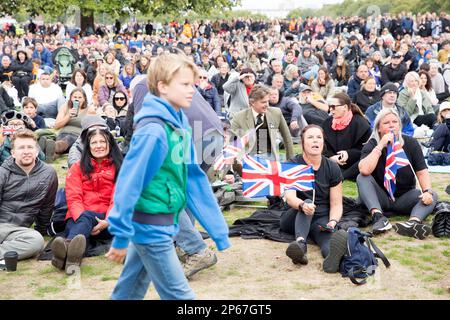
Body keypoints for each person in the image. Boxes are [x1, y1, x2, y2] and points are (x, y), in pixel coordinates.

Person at [106, 53, 230, 300]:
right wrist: (120, 235)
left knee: (129, 290)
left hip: (162, 222)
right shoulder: (153, 131)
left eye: (192, 84)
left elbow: (193, 178)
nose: (192, 90)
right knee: (181, 297)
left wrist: (217, 230)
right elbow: (130, 183)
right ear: (162, 87)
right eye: (184, 84)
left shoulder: (179, 126)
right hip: (151, 227)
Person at [51, 126, 123, 275]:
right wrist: (82, 218)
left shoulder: (120, 167)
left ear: (110, 143)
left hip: (108, 220)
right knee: (83, 221)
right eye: (94, 142)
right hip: (80, 217)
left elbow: (119, 199)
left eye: (102, 141)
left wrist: (108, 221)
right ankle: (72, 258)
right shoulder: (77, 167)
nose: (98, 146)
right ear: (88, 147)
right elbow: (73, 197)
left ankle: (65, 252)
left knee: (83, 226)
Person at [357, 108, 437, 238]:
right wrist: (381, 145)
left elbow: (422, 171)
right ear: (378, 128)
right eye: (386, 122)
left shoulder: (410, 143)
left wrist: (427, 191)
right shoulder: (372, 144)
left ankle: (413, 223)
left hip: (404, 197)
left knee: (432, 194)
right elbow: (364, 170)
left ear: (399, 125)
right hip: (380, 197)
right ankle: (378, 217)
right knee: (362, 178)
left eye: (395, 122)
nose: (391, 125)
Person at [281, 125, 347, 273]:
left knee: (328, 240)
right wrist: (303, 204)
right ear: (303, 142)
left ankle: (334, 260)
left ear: (323, 142)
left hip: (320, 217)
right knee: (308, 205)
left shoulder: (332, 167)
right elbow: (290, 198)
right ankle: (300, 245)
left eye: (319, 137)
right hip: (294, 214)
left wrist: (333, 221)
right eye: (310, 137)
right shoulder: (293, 164)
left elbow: (336, 204)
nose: (315, 140)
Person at [0, 129, 58, 261]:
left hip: (19, 231)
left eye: (30, 147)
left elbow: (47, 206)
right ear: (13, 153)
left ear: (37, 151)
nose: (26, 151)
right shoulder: (2, 173)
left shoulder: (48, 173)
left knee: (36, 241)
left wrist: (42, 230)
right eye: (21, 148)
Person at [231, 84, 294, 161]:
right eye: (263, 102)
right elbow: (232, 143)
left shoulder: (276, 113)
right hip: (248, 159)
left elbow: (287, 138)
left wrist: (290, 161)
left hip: (270, 159)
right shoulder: (239, 117)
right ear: (252, 102)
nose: (267, 105)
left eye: (268, 101)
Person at [323, 92, 372, 180]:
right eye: (329, 106)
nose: (330, 110)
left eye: (333, 107)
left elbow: (366, 149)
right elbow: (323, 145)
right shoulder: (327, 123)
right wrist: (331, 157)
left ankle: (343, 175)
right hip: (333, 161)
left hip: (354, 163)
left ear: (345, 107)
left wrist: (348, 154)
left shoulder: (361, 123)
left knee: (367, 159)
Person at [54, 89, 94, 156]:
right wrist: (68, 116)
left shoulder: (89, 110)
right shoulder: (65, 107)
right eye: (75, 97)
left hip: (78, 136)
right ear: (71, 98)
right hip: (63, 134)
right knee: (64, 141)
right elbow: (56, 126)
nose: (77, 99)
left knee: (68, 139)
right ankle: (52, 154)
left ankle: (52, 147)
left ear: (84, 99)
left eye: (80, 97)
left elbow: (93, 127)